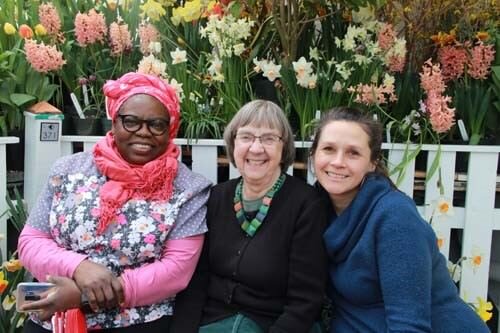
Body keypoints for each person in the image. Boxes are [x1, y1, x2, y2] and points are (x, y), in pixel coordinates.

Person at [18, 72, 211, 332]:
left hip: (137, 323)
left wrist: (84, 296)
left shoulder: (188, 188)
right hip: (55, 321)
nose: (143, 132)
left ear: (171, 129)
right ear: (114, 122)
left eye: (156, 124)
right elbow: (31, 241)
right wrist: (78, 268)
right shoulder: (68, 170)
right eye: (131, 121)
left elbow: (176, 270)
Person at [310, 106, 490, 332]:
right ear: (313, 154)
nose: (338, 162)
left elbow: (409, 325)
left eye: (353, 153)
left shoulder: (394, 218)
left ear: (372, 162)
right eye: (328, 149)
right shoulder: (315, 210)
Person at [170, 100, 328, 333]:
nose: (256, 148)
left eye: (268, 138)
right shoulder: (217, 197)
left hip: (275, 324)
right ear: (233, 144)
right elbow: (197, 281)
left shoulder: (306, 204)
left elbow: (305, 301)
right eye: (246, 137)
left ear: (284, 148)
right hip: (213, 321)